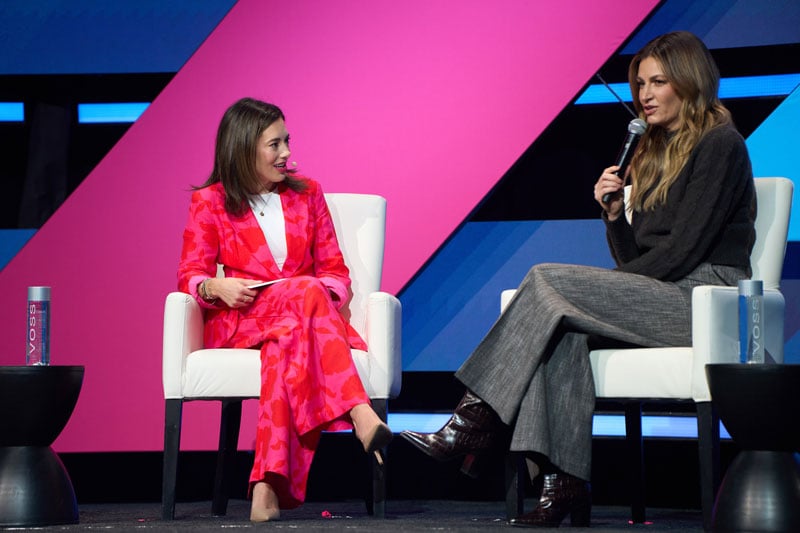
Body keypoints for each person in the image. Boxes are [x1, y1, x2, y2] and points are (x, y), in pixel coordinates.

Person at [401, 31, 755, 528]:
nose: (645, 94)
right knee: (561, 329)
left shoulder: (722, 144)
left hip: (705, 300)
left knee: (548, 281)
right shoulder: (654, 152)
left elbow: (683, 252)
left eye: (658, 82)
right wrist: (614, 216)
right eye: (640, 83)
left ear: (689, 83)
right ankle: (563, 480)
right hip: (665, 290)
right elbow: (644, 255)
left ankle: (473, 420)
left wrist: (605, 288)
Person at [177, 97, 392, 522]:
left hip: (296, 325)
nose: (287, 153)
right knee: (305, 292)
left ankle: (265, 488)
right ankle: (356, 409)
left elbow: (335, 273)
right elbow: (189, 276)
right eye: (274, 144)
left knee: (283, 352)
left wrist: (314, 303)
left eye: (287, 142)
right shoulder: (210, 202)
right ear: (244, 148)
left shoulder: (308, 194)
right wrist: (216, 285)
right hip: (240, 320)